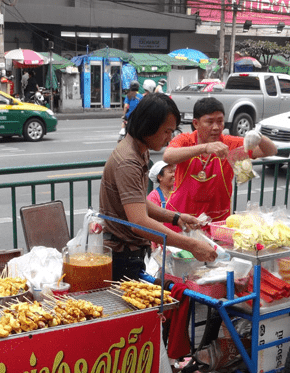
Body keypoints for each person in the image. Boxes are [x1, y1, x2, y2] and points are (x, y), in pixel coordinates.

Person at [100, 93, 217, 281]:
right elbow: (139, 222)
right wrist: (191, 245)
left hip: (130, 252)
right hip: (120, 256)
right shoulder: (128, 161)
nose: (169, 139)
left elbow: (138, 204)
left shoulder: (140, 152)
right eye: (166, 131)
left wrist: (175, 217)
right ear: (148, 126)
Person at [163, 97, 277, 223]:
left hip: (217, 222)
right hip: (181, 220)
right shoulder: (185, 140)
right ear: (196, 123)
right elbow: (168, 156)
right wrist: (204, 148)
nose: (216, 127)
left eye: (220, 121)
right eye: (210, 122)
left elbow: (271, 151)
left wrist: (260, 138)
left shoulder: (230, 143)